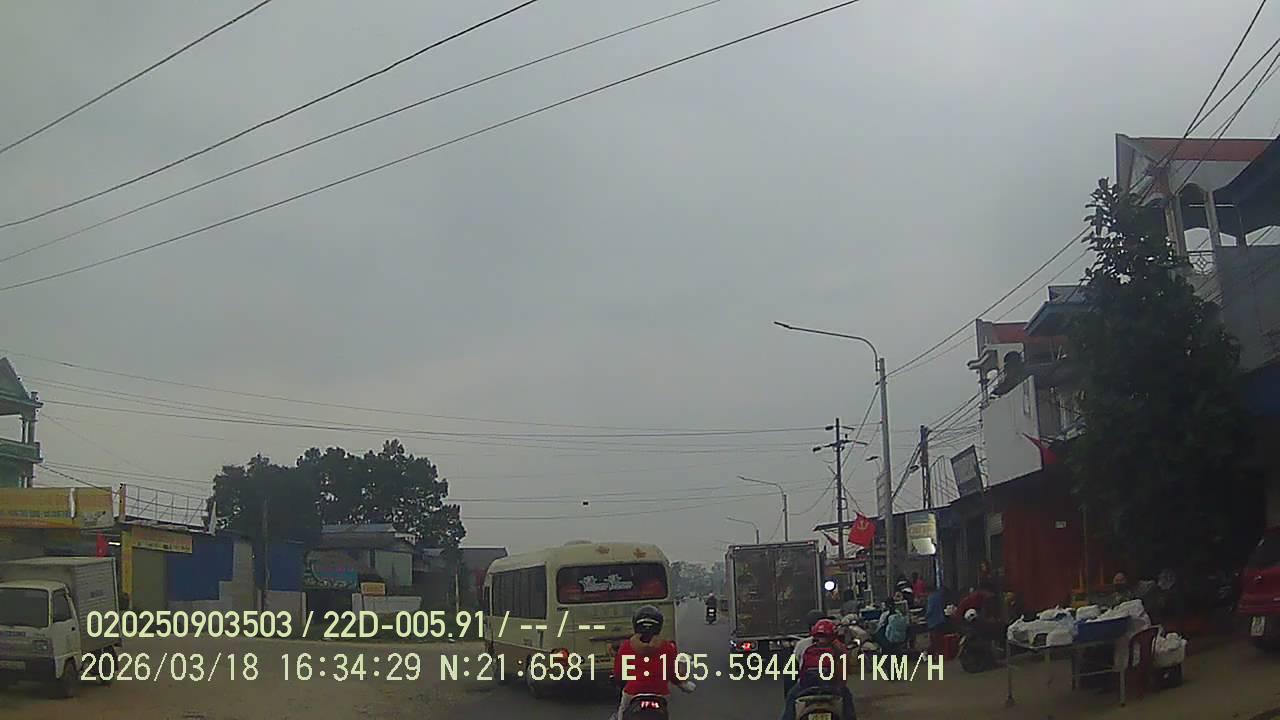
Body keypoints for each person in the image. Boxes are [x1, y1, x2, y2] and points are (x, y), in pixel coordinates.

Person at [610, 605, 695, 719]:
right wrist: (684, 685)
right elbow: (673, 673)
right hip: (661, 693)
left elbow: (619, 673)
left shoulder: (626, 646)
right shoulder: (668, 647)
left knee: (622, 712)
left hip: (633, 692)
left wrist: (619, 680)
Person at [779, 619, 856, 720]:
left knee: (791, 699)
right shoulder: (839, 647)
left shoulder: (802, 645)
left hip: (806, 687)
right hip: (831, 687)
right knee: (847, 700)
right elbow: (846, 670)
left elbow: (792, 670)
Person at [926, 583, 950, 654]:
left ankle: (934, 654)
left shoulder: (930, 598)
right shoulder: (939, 596)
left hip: (933, 622)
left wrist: (925, 616)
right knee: (939, 639)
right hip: (941, 620)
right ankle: (940, 653)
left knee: (934, 640)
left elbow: (930, 610)